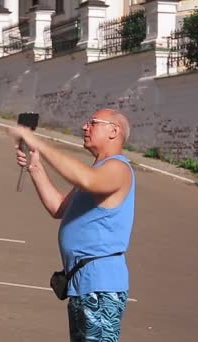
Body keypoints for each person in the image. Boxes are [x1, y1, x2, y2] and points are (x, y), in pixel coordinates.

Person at [9, 108, 135, 342]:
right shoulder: (97, 171)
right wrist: (35, 166)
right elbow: (58, 208)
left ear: (113, 131)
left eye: (93, 123)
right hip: (82, 283)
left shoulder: (118, 168)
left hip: (100, 286)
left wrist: (40, 143)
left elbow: (87, 180)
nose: (84, 127)